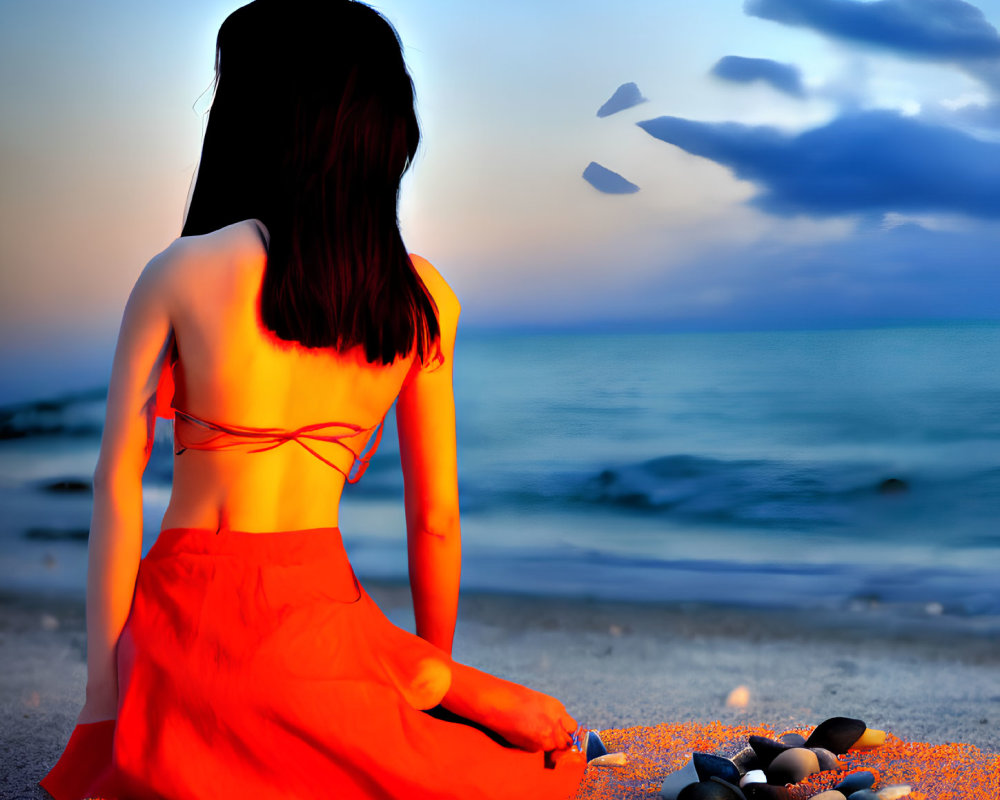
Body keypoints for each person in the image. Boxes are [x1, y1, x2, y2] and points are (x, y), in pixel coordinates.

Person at [39, 1, 586, 798]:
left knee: (212, 749)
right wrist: (437, 660)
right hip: (324, 615)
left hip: (189, 621)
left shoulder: (183, 269)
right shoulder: (424, 298)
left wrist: (101, 702)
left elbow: (116, 490)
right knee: (528, 771)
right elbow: (434, 518)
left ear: (258, 118)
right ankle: (422, 679)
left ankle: (402, 678)